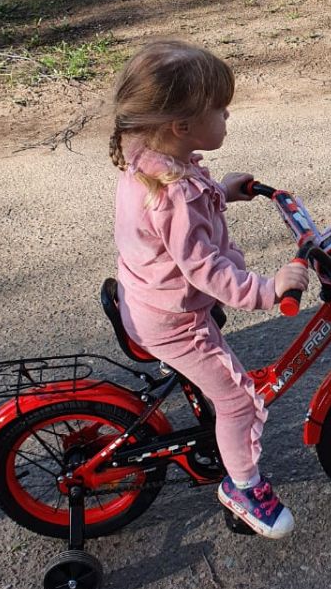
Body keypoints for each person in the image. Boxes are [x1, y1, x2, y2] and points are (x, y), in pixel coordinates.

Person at [109, 39, 308, 538]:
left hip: (146, 298)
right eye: (220, 109)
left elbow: (177, 226)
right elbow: (205, 269)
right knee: (240, 401)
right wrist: (269, 289)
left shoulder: (151, 159)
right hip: (175, 321)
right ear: (181, 125)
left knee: (223, 386)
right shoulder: (176, 194)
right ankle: (243, 489)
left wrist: (220, 192)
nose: (227, 116)